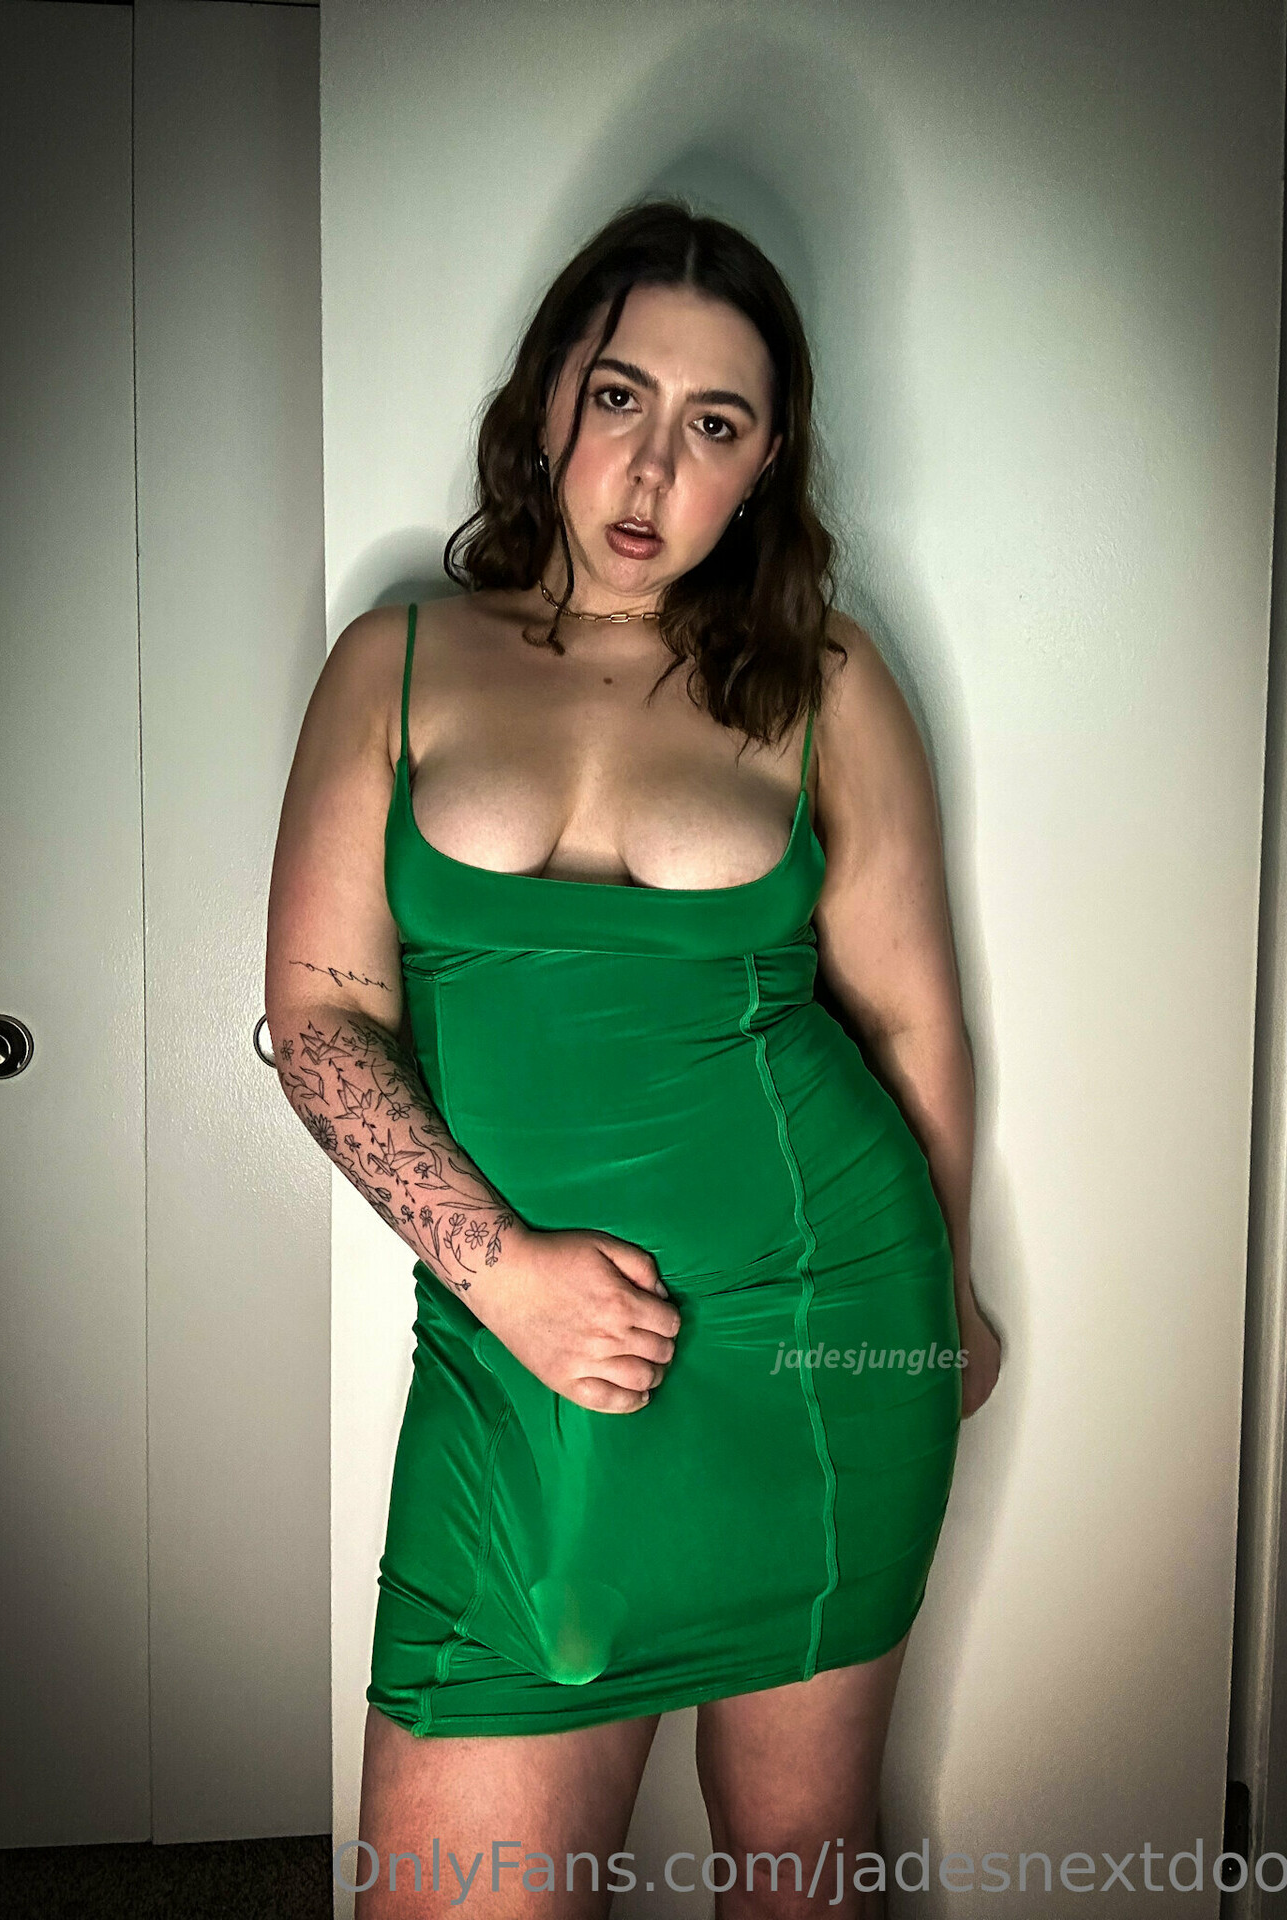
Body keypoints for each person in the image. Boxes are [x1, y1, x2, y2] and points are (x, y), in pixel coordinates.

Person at [265, 199, 1000, 1920]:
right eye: (619, 397)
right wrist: (503, 1275)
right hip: (513, 1354)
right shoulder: (396, 661)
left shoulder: (824, 682)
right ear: (549, 402)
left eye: (715, 423)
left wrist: (944, 1303)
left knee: (798, 1876)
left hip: (824, 1334)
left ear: (767, 466)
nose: (653, 467)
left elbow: (911, 1024)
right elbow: (318, 1015)